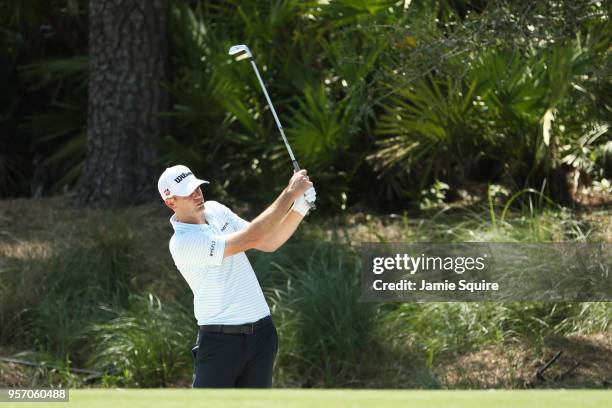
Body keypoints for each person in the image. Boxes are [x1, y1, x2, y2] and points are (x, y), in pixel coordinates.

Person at [157, 164, 316, 388]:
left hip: (262, 335)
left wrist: (300, 207)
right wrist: (290, 193)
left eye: (197, 188)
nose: (197, 195)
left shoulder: (215, 210)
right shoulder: (183, 243)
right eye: (187, 192)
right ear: (171, 202)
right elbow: (252, 237)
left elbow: (266, 242)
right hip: (220, 341)